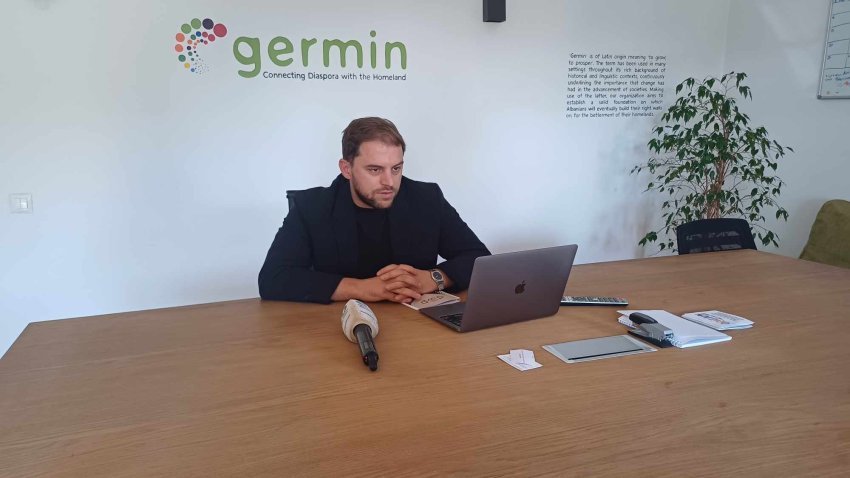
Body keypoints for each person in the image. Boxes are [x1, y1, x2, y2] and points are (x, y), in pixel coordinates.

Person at [258, 117, 490, 304]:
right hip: (337, 326)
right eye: (375, 170)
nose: (389, 182)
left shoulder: (426, 198)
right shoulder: (312, 207)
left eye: (396, 169)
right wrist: (362, 288)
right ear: (346, 169)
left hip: (415, 324)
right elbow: (273, 278)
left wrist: (433, 278)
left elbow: (479, 258)